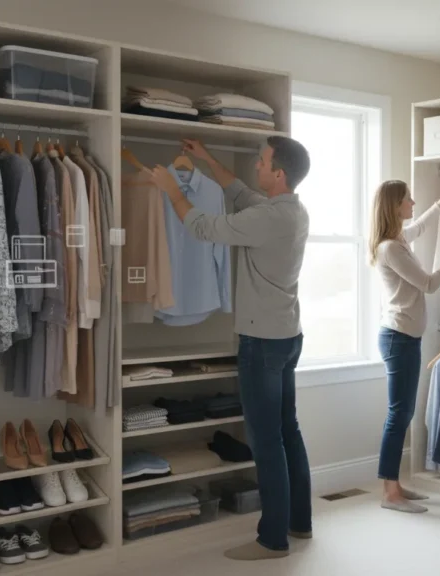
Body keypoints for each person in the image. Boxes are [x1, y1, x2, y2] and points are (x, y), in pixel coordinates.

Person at [149, 137, 312, 561]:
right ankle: (300, 522)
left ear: (278, 174)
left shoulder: (267, 219)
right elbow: (239, 193)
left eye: (262, 161)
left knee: (266, 441)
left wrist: (171, 189)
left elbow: (203, 227)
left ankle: (272, 539)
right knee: (288, 432)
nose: (256, 166)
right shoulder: (290, 209)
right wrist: (206, 160)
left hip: (262, 343)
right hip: (287, 336)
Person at [369, 179, 440, 513]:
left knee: (402, 413)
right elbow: (429, 284)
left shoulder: (397, 241)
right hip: (398, 339)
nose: (413, 202)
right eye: (407, 199)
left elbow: (419, 226)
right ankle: (390, 493)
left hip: (404, 338)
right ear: (394, 205)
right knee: (398, 415)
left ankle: (395, 486)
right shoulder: (391, 248)